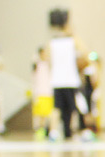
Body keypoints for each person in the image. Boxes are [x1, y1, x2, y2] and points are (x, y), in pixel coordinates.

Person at [47, 8, 84, 141]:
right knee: (75, 106)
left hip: (57, 80)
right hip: (70, 79)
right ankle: (79, 130)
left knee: (56, 107)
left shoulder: (51, 42)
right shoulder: (72, 40)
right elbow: (85, 53)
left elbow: (47, 60)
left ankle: (53, 132)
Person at [30, 47, 53, 140]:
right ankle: (40, 129)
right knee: (40, 113)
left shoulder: (49, 65)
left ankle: (47, 129)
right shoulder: (37, 64)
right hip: (40, 92)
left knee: (48, 113)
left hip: (48, 91)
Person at [77, 52, 100, 141]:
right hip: (87, 92)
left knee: (90, 112)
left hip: (89, 92)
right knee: (88, 112)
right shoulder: (90, 69)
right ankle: (89, 130)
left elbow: (94, 81)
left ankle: (91, 130)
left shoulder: (92, 69)